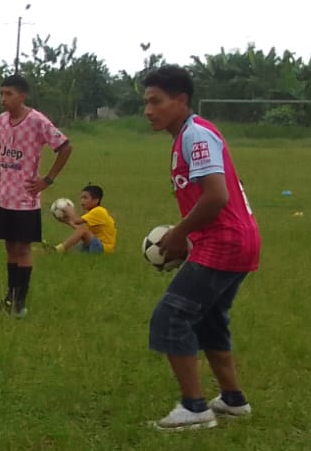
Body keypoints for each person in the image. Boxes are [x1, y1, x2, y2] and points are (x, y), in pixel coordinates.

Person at [142, 65, 261, 431]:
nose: (148, 110)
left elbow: (216, 196)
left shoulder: (196, 135)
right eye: (146, 103)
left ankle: (194, 408)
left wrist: (179, 234)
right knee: (210, 319)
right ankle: (233, 400)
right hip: (237, 241)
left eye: (156, 101)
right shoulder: (187, 136)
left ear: (181, 100)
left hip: (225, 242)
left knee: (170, 318)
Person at [0, 75, 71, 316]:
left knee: (23, 249)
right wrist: (0, 170)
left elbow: (65, 147)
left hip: (25, 200)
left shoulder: (37, 121)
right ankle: (9, 297)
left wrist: (47, 179)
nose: (3, 99)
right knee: (9, 247)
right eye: (1, 93)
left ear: (22, 96)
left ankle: (20, 303)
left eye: (9, 94)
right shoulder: (1, 121)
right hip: (4, 197)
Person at [52, 184, 117, 254]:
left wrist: (69, 210)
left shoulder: (99, 211)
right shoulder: (91, 213)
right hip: (95, 244)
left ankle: (57, 250)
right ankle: (53, 251)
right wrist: (66, 221)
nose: (82, 200)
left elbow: (77, 222)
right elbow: (80, 229)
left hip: (103, 248)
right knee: (73, 250)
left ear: (96, 200)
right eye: (81, 198)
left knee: (81, 235)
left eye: (85, 198)